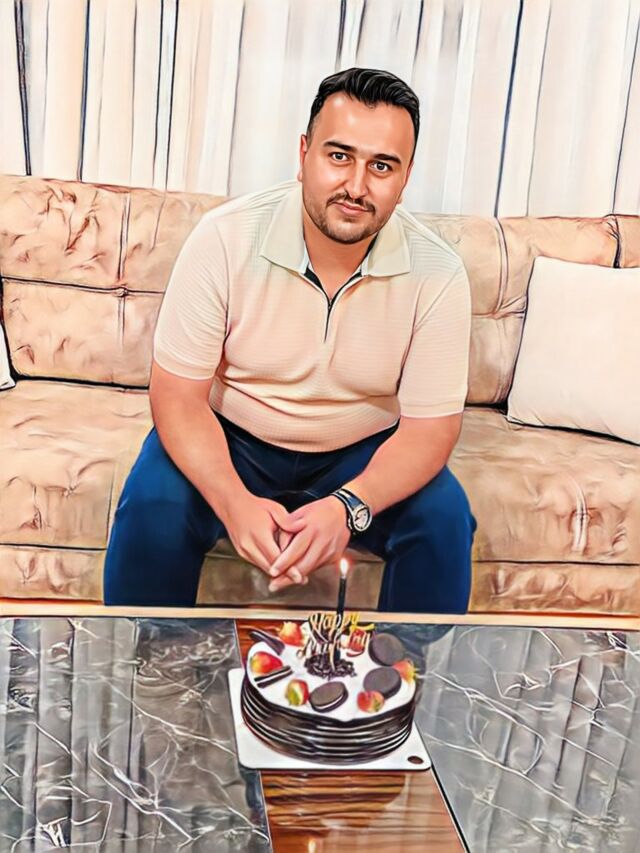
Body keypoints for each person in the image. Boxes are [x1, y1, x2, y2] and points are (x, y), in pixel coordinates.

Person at [103, 67, 477, 612]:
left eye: (381, 166)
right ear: (303, 155)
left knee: (443, 520)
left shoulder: (438, 273)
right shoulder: (224, 238)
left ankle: (397, 666)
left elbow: (430, 430)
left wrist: (348, 506)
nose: (356, 186)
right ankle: (151, 660)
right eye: (339, 156)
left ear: (406, 177)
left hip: (363, 450)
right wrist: (234, 503)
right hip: (230, 435)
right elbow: (177, 397)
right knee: (151, 510)